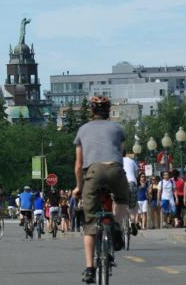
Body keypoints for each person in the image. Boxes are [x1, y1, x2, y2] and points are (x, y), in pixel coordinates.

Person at [71, 96, 129, 284]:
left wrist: (79, 187)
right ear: (108, 111)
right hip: (115, 169)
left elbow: (79, 165)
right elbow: (121, 154)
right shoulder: (118, 129)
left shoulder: (82, 130)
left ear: (91, 111)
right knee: (121, 199)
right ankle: (118, 228)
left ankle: (89, 269)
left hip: (93, 172)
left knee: (89, 224)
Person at [122, 150, 139, 235]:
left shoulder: (117, 161)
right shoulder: (132, 161)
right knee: (133, 204)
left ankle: (117, 223)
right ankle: (132, 222)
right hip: (132, 183)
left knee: (117, 202)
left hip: (121, 184)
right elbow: (136, 174)